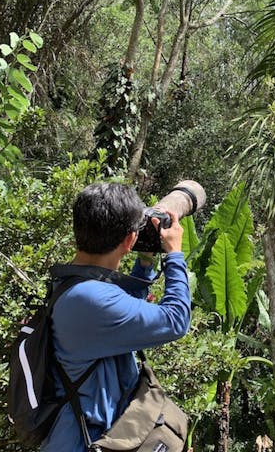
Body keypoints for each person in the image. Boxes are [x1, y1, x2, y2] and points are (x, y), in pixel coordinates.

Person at [40, 182, 191, 451]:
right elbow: (176, 320)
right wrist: (175, 255)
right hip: (80, 443)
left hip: (90, 437)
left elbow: (122, 319)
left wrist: (145, 261)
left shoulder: (77, 283)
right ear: (129, 240)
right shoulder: (90, 298)